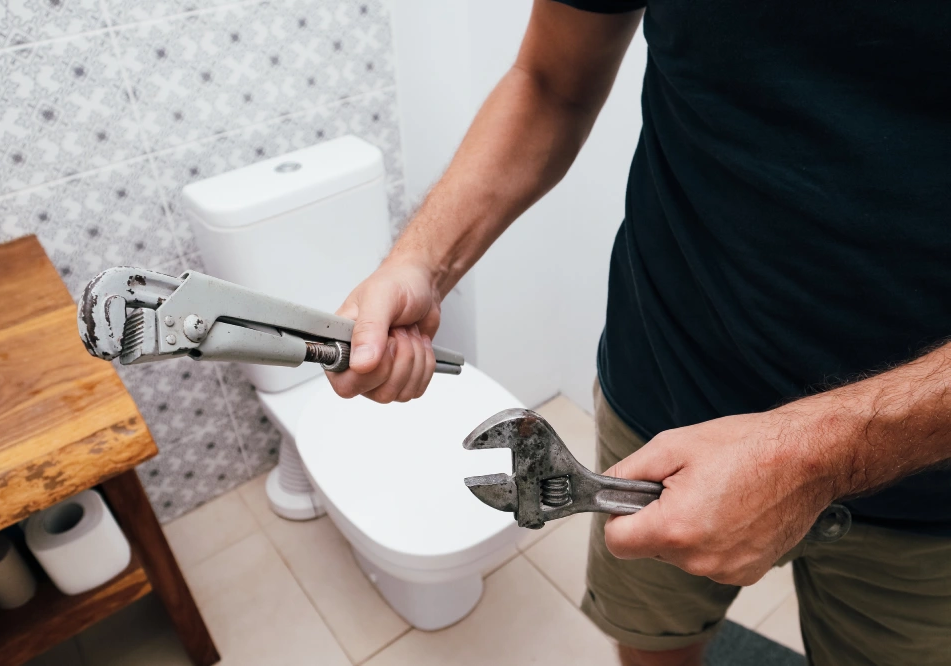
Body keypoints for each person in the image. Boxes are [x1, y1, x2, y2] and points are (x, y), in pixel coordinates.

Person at [325, 2, 951, 664]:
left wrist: (819, 454)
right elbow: (549, 81)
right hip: (661, 397)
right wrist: (422, 259)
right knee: (653, 646)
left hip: (926, 472)